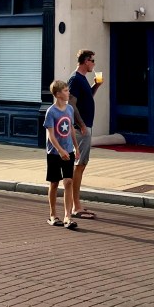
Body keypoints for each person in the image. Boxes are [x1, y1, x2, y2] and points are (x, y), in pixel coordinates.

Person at [68, 48, 102, 219]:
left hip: (85, 126)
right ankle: (76, 206)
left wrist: (96, 85)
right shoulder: (75, 79)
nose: (94, 64)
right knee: (79, 165)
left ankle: (76, 204)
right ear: (86, 61)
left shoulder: (82, 79)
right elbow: (71, 104)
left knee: (81, 165)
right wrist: (81, 125)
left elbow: (86, 99)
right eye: (92, 61)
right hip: (81, 128)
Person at [44, 79, 80, 229]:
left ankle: (67, 217)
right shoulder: (51, 112)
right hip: (54, 153)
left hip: (68, 150)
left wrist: (76, 147)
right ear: (58, 94)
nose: (68, 93)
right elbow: (51, 135)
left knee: (68, 181)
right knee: (54, 183)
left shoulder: (70, 109)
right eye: (65, 91)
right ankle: (53, 215)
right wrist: (60, 150)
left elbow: (71, 129)